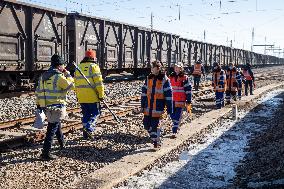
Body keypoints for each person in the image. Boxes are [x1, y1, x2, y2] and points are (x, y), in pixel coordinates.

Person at [35, 54, 74, 160]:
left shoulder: (43, 76)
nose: (63, 67)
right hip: (57, 106)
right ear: (59, 66)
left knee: (56, 125)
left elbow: (38, 92)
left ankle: (62, 143)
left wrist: (39, 105)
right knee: (52, 129)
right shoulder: (58, 76)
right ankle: (45, 153)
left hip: (47, 106)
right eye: (62, 65)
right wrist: (68, 75)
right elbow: (71, 86)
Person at [141, 60, 173, 149]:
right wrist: (142, 105)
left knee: (156, 126)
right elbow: (144, 93)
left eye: (153, 67)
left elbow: (169, 96)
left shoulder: (165, 80)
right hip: (148, 107)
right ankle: (155, 138)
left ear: (158, 68)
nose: (151, 69)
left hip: (158, 108)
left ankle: (156, 142)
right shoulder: (149, 78)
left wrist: (170, 109)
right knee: (146, 125)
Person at [74, 49, 104, 140]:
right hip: (93, 96)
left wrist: (78, 95)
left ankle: (85, 133)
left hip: (81, 97)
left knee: (86, 114)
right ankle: (89, 128)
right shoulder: (94, 66)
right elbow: (99, 83)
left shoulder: (78, 67)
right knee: (96, 113)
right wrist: (101, 95)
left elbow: (75, 82)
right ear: (93, 57)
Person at [169, 62, 192, 139]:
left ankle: (174, 131)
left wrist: (188, 100)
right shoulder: (171, 77)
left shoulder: (184, 78)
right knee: (172, 115)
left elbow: (188, 89)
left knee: (177, 116)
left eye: (178, 67)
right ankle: (176, 125)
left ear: (181, 68)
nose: (176, 68)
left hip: (180, 100)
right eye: (175, 67)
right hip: (172, 100)